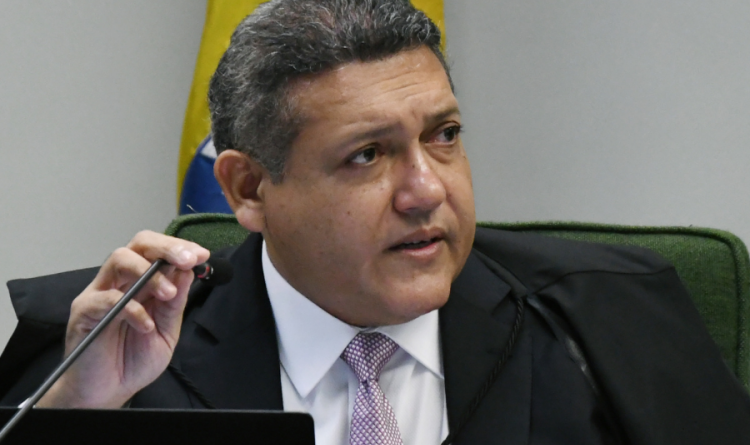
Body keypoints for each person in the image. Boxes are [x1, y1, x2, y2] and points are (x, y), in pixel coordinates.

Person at [1, 0, 749, 444]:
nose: (426, 189)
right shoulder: (115, 351)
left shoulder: (606, 319)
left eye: (444, 136)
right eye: (367, 155)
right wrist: (81, 413)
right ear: (249, 188)